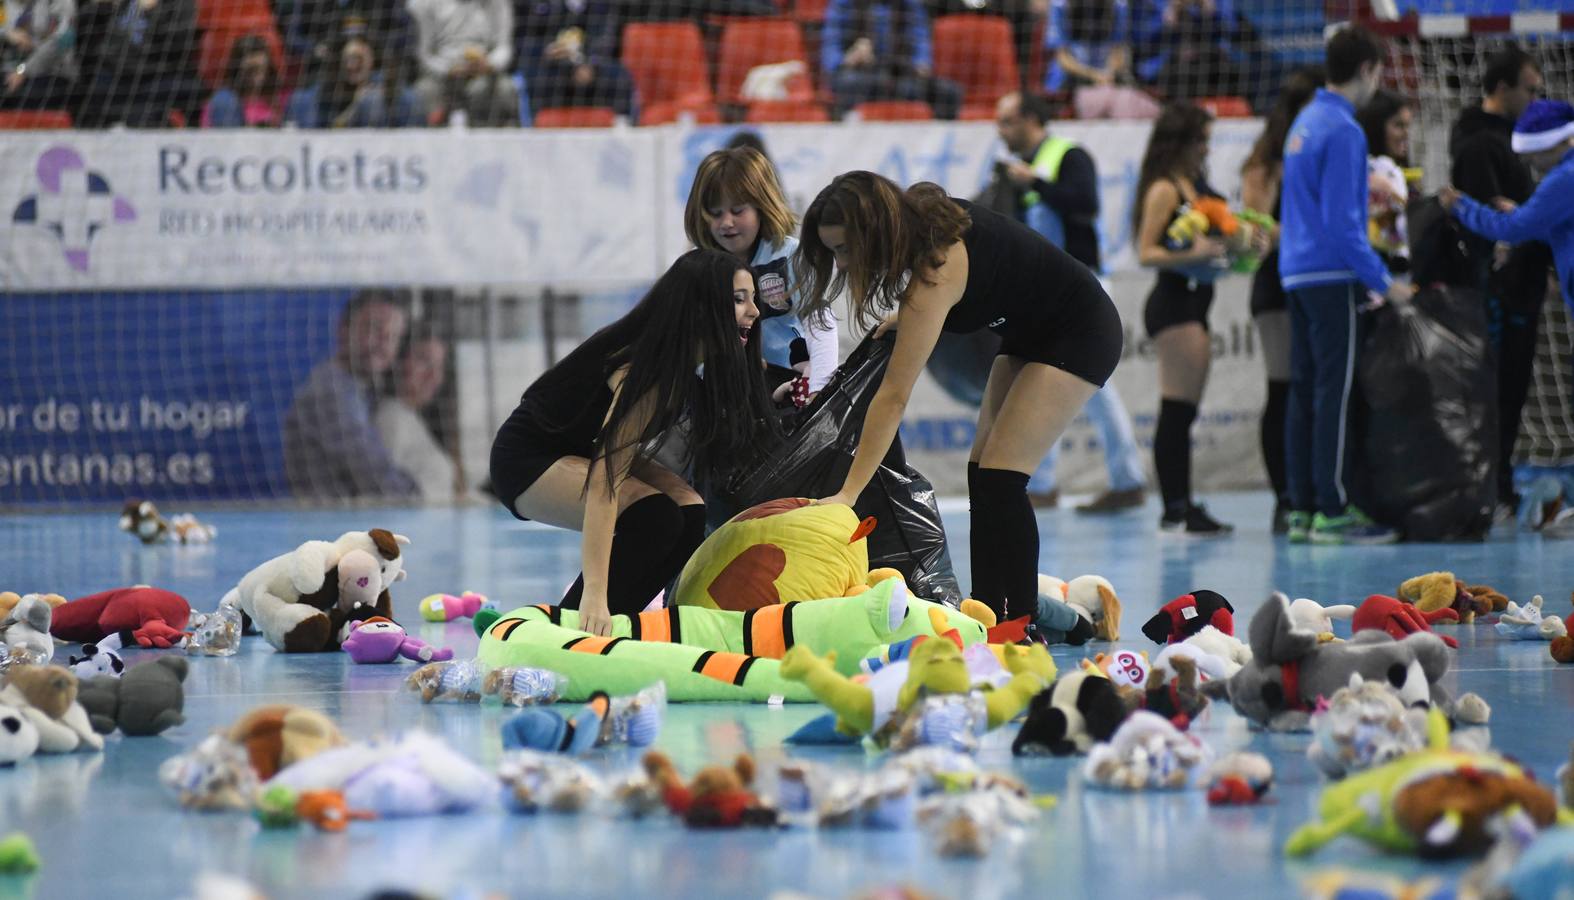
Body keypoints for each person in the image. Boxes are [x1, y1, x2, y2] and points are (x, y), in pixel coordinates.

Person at [794, 172, 1122, 624]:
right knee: (982, 477)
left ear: (876, 234)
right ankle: (986, 616)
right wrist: (907, 317)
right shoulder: (923, 233)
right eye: (834, 253)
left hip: (1080, 332)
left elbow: (893, 398)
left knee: (1004, 479)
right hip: (1031, 334)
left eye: (846, 250)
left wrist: (847, 494)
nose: (844, 265)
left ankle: (1022, 624)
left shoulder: (934, 270)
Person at [489, 250, 778, 636]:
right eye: (739, 300)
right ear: (700, 308)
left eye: (753, 297)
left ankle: (619, 625)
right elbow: (606, 481)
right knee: (653, 517)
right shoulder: (646, 372)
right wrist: (594, 591)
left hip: (582, 446)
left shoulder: (688, 366)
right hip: (527, 457)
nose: (754, 311)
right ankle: (573, 626)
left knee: (689, 514)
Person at [1279, 25, 1409, 545]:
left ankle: (1302, 508)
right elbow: (1343, 224)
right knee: (1331, 392)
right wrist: (1384, 281)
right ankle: (1331, 508)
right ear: (1367, 70)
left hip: (1296, 271)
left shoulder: (1304, 122)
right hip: (1331, 274)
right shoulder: (1346, 130)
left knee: (1305, 391)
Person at [989, 90, 1146, 513]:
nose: (1000, 131)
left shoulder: (1069, 157)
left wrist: (1035, 183)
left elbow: (1087, 206)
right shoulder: (1012, 171)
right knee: (1040, 384)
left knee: (1094, 388)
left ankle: (1127, 479)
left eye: (1007, 121)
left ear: (1030, 119)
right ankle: (1040, 483)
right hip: (1046, 293)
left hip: (1084, 289)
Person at [1133, 101, 1254, 536]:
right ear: (1181, 141)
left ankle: (1181, 505)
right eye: (1201, 139)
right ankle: (1176, 509)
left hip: (1194, 302)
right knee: (1177, 409)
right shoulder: (1165, 188)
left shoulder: (1195, 183)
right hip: (1174, 303)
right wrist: (1195, 252)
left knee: (1185, 409)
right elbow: (1146, 252)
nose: (1206, 148)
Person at [1449, 47, 1549, 512]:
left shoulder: (1519, 140)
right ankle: (1488, 487)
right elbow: (1494, 222)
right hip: (1497, 295)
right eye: (1529, 89)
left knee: (1512, 392)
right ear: (1503, 87)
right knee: (1493, 394)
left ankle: (1501, 481)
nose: (1535, 98)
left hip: (1523, 290)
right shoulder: (1477, 142)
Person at [685, 147, 839, 398]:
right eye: (716, 213)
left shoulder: (790, 254)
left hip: (791, 382)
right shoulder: (696, 269)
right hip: (725, 390)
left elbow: (821, 325)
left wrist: (819, 388)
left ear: (762, 206)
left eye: (737, 211)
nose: (726, 222)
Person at [1240, 65, 1320, 533]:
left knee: (1309, 389)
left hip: (1309, 277)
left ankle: (1305, 491)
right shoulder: (1268, 161)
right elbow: (1256, 229)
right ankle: (1284, 496)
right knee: (1283, 387)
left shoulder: (1313, 152)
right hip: (1277, 282)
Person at [1442, 99, 1574, 324]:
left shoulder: (1564, 178)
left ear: (1553, 144)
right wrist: (1523, 214)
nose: (1531, 163)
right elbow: (1563, 227)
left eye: (1533, 155)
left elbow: (1511, 230)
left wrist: (1461, 205)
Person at [284, 290, 422, 499]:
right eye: (374, 328)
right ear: (344, 329)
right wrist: (418, 496)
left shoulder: (357, 389)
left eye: (393, 336)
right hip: (326, 525)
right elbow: (371, 473)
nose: (383, 342)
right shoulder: (331, 392)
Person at [821, 0, 963, 121]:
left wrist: (922, 63)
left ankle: (937, 145)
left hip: (901, 75)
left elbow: (921, 41)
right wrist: (850, 57)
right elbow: (830, 49)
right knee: (849, 83)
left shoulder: (909, 3)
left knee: (948, 92)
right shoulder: (844, 3)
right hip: (862, 76)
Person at [74, 0, 202, 127]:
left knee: (139, 114)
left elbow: (178, 45)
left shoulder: (180, 4)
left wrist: (151, 11)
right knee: (88, 99)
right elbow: (102, 40)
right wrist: (102, 7)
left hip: (156, 76)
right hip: (113, 73)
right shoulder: (126, 4)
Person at [375, 330, 462, 501]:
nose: (433, 375)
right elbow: (386, 494)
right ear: (397, 362)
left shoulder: (411, 417)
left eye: (439, 366)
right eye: (424, 360)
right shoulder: (391, 418)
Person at [517, 0, 636, 122]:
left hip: (592, 69)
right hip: (557, 69)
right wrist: (549, 51)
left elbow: (607, 41)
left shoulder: (602, 6)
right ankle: (535, 125)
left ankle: (623, 124)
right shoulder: (544, 6)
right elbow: (530, 40)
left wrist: (589, 62)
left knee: (619, 74)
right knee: (534, 75)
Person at [408, 0, 518, 126]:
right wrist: (448, 69)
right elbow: (424, 54)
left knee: (504, 88)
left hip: (484, 70)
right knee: (424, 90)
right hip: (443, 73)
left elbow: (504, 47)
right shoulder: (426, 4)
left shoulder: (497, 3)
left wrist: (489, 64)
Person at [284, 33, 425, 128]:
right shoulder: (324, 95)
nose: (351, 66)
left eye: (358, 59)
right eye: (347, 60)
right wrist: (354, 106)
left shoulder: (397, 94)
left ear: (372, 60)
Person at [1357, 88, 1415, 275]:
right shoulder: (1383, 170)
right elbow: (1390, 238)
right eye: (1398, 125)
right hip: (1379, 273)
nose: (1406, 134)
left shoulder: (1361, 168)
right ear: (1376, 126)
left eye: (1408, 126)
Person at [1, 0, 76, 111]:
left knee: (22, 97)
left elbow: (59, 43)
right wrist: (7, 34)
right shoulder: (14, 4)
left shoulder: (62, 3)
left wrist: (23, 70)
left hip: (53, 74)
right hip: (15, 70)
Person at [201, 34, 284, 127]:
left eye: (261, 69)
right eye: (251, 70)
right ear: (238, 70)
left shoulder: (281, 98)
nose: (256, 77)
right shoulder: (223, 101)